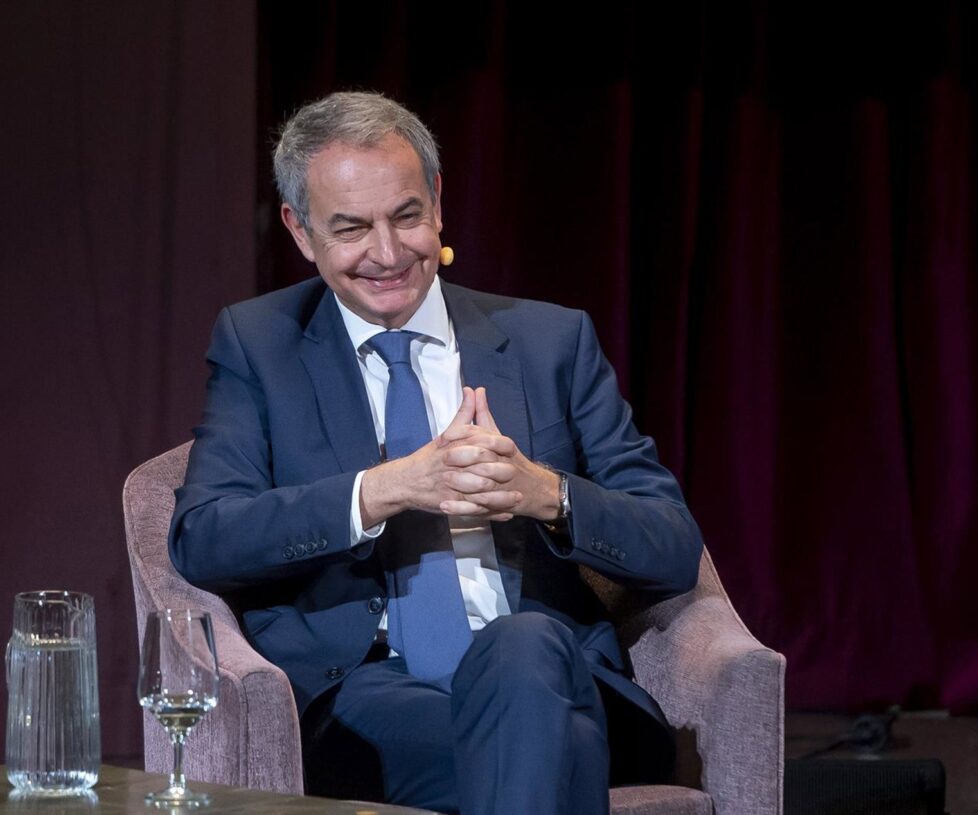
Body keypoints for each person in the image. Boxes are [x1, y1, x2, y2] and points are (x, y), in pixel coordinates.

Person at [169, 91, 703, 815]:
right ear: (300, 230)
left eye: (406, 216)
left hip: (554, 673)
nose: (388, 254)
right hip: (373, 698)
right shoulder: (260, 345)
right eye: (352, 228)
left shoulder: (550, 342)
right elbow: (204, 537)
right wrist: (383, 489)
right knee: (553, 747)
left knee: (523, 649)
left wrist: (545, 494)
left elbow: (672, 545)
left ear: (439, 201)